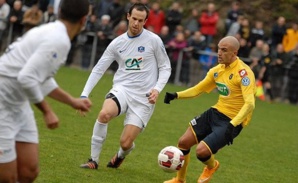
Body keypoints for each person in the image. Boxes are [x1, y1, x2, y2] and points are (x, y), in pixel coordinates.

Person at [0, 0, 92, 182]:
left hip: (18, 104)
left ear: (59, 12)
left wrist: (72, 101)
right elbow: (27, 78)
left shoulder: (53, 32)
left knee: (29, 171)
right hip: (2, 104)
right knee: (7, 178)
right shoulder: (57, 39)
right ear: (84, 20)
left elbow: (40, 78)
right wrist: (47, 111)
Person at [79, 2, 171, 169]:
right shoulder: (117, 43)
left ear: (145, 21)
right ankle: (93, 160)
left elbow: (165, 67)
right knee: (104, 114)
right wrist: (85, 94)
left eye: (141, 20)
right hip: (122, 89)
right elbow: (99, 69)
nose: (136, 23)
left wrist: (157, 89)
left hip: (144, 98)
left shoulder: (154, 40)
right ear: (128, 16)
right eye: (134, 18)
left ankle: (122, 154)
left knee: (126, 142)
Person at [163, 36, 256, 183]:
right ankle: (180, 179)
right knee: (183, 142)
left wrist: (233, 124)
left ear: (234, 52)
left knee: (201, 152)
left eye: (224, 50)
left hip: (232, 121)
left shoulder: (244, 73)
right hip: (215, 112)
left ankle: (212, 166)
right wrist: (176, 95)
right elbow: (198, 89)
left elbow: (250, 103)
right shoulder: (217, 71)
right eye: (218, 49)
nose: (219, 53)